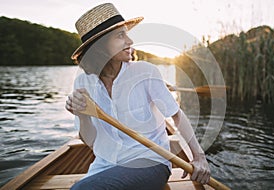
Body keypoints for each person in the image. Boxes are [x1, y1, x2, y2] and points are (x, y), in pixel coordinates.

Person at [65, 3, 210, 190]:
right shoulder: (82, 83)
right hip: (104, 164)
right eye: (120, 35)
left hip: (150, 161)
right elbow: (91, 141)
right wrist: (82, 115)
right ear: (99, 46)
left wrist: (199, 157)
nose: (130, 41)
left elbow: (177, 115)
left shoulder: (146, 72)